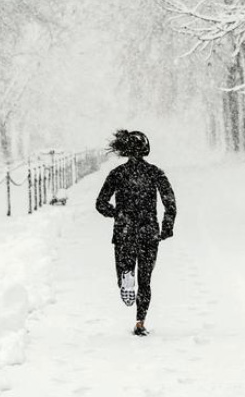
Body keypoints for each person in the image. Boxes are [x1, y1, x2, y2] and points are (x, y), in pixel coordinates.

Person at [95, 129, 176, 336]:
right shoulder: (155, 172)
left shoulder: (117, 174)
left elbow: (100, 203)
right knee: (146, 280)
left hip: (125, 231)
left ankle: (125, 277)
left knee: (125, 270)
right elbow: (170, 202)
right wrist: (166, 227)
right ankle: (140, 321)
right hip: (149, 230)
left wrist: (117, 214)